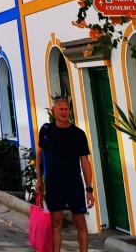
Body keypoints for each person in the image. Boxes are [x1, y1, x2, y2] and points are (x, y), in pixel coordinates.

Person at [36, 97, 95, 252]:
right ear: (54, 111)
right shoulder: (46, 131)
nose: (64, 112)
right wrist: (39, 180)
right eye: (60, 109)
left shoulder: (78, 134)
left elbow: (85, 162)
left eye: (66, 109)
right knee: (56, 222)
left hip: (73, 183)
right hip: (53, 183)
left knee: (80, 221)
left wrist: (89, 190)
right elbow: (39, 155)